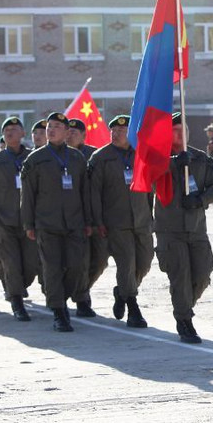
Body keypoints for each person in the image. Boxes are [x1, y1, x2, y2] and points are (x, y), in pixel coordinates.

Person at [155, 112, 213, 342]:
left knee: (203, 273)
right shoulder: (157, 158)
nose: (179, 134)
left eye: (182, 130)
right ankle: (184, 319)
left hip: (196, 228)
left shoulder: (200, 159)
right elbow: (149, 176)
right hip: (170, 229)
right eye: (174, 130)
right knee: (180, 275)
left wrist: (201, 199)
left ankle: (184, 303)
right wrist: (173, 163)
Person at [21, 112, 92, 332]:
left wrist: (89, 220)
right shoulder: (35, 159)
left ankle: (65, 296)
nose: (51, 130)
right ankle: (59, 311)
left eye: (56, 127)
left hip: (74, 223)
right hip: (47, 223)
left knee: (76, 266)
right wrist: (29, 224)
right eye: (49, 127)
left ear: (67, 132)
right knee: (51, 268)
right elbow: (28, 195)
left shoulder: (77, 158)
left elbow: (85, 192)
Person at [89, 115, 155, 328]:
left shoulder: (141, 155)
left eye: (122, 130)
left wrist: (150, 215)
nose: (116, 134)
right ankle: (133, 308)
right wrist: (98, 221)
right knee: (126, 263)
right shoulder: (101, 157)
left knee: (144, 262)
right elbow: (94, 193)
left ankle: (122, 292)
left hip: (142, 219)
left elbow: (149, 189)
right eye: (113, 130)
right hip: (116, 221)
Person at [0, 117, 39, 321]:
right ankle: (16, 301)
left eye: (14, 129)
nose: (9, 133)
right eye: (6, 130)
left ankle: (18, 289)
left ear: (23, 134)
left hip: (28, 222)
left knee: (31, 265)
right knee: (11, 263)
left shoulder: (33, 159)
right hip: (3, 221)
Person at [68, 118, 106, 316]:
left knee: (99, 260)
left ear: (84, 135)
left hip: (96, 215)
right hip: (72, 217)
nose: (71, 135)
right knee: (78, 260)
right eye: (69, 131)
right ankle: (81, 298)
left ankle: (81, 289)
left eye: (76, 132)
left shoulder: (95, 155)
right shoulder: (60, 155)